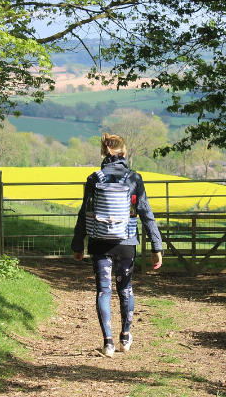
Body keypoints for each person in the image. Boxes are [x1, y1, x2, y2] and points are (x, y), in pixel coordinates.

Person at [72, 132, 163, 357]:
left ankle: (108, 342)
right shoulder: (134, 178)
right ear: (124, 152)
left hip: (99, 242)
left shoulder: (94, 179)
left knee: (103, 291)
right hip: (126, 242)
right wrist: (156, 246)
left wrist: (77, 244)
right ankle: (125, 336)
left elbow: (85, 213)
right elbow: (146, 213)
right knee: (125, 289)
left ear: (104, 152)